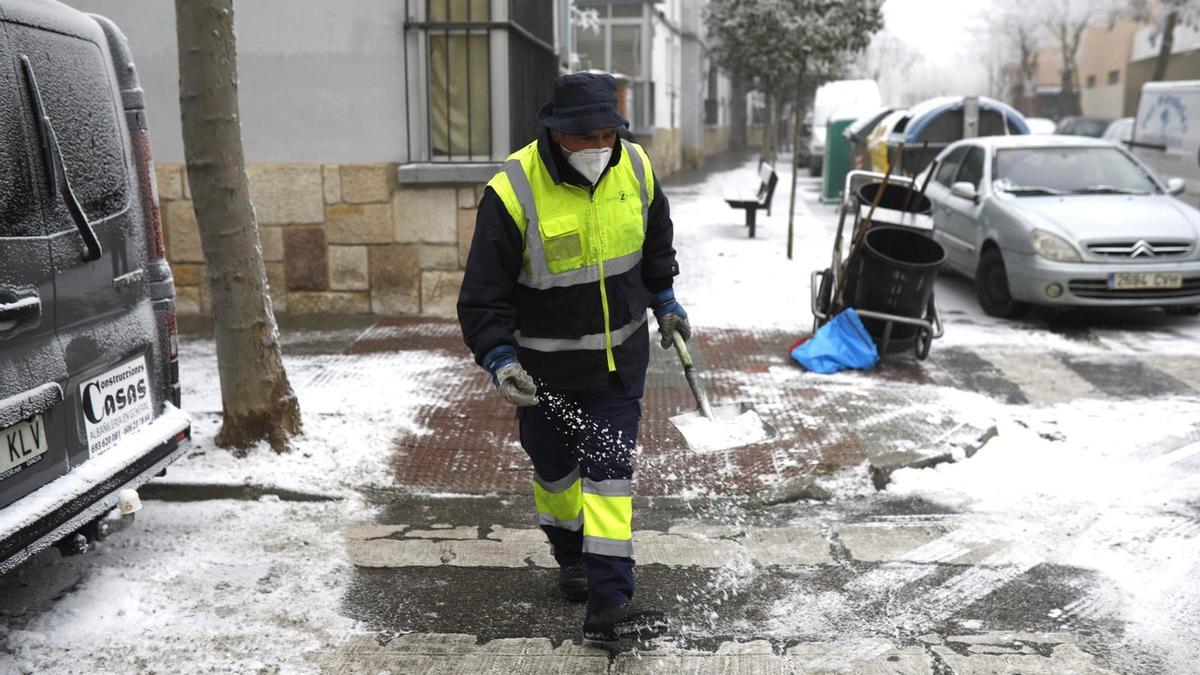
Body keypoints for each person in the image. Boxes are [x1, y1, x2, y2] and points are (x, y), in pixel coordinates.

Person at [457, 72, 688, 644]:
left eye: (606, 134)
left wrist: (666, 302)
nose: (597, 146)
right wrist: (500, 359)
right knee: (556, 474)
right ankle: (570, 556)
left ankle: (611, 605)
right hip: (545, 377)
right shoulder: (513, 190)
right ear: (555, 134)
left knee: (610, 474)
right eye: (584, 137)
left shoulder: (635, 168)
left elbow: (655, 245)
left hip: (618, 369)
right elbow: (483, 295)